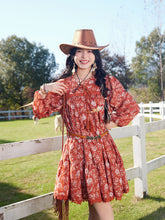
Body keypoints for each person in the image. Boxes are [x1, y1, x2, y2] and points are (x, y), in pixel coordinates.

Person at [33, 29, 140, 220]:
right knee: (94, 206)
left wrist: (112, 124)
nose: (85, 56)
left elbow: (130, 107)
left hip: (101, 149)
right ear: (72, 55)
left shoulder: (106, 82)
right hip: (76, 150)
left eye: (90, 51)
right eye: (79, 51)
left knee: (102, 207)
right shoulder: (63, 85)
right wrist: (44, 90)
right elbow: (41, 112)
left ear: (95, 56)